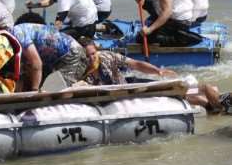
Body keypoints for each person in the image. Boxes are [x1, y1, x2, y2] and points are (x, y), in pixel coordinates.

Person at [81, 40, 229, 113]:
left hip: (128, 85)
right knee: (176, 97)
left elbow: (135, 64)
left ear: (97, 51)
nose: (91, 58)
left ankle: (212, 97)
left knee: (172, 91)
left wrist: (158, 71)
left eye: (93, 54)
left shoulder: (107, 56)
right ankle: (207, 105)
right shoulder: (82, 70)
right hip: (114, 93)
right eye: (87, 56)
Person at [12, 12, 88, 91]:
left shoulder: (18, 34)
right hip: (55, 57)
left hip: (72, 53)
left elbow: (37, 64)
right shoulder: (15, 34)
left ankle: (84, 87)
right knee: (47, 88)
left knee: (60, 91)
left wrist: (34, 91)